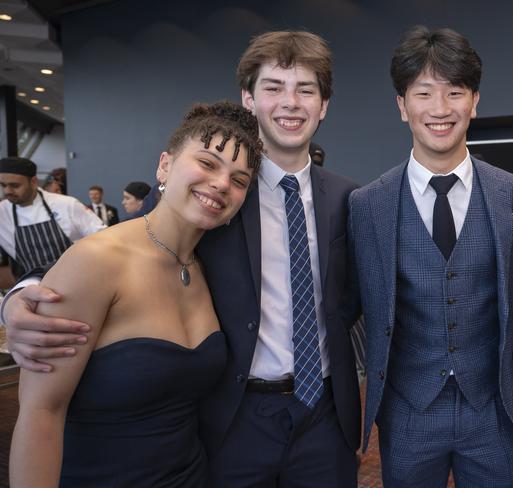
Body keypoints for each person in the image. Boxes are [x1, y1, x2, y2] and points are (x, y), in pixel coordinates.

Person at [3, 31, 361, 487]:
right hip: (234, 415)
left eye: (305, 90)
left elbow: (356, 296)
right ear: (249, 99)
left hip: (324, 415)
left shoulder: (351, 199)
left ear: (323, 105)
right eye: (273, 87)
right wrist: (20, 295)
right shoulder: (210, 192)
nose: (290, 103)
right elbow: (125, 247)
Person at [9, 101, 263, 487]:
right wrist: (16, 296)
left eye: (239, 180)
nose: (222, 184)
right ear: (165, 164)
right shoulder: (97, 261)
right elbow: (41, 412)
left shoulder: (209, 267)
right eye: (208, 163)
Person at [348, 26, 513, 487]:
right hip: (408, 411)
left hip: (493, 410)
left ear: (474, 102)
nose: (439, 109)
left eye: (455, 92)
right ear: (402, 105)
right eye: (423, 93)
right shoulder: (367, 204)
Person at [0, 157, 105, 278]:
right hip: (34, 287)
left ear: (33, 182)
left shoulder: (67, 204)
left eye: (15, 185)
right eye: (3, 185)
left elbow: (103, 237)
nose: (7, 191)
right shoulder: (2, 213)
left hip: (78, 280)